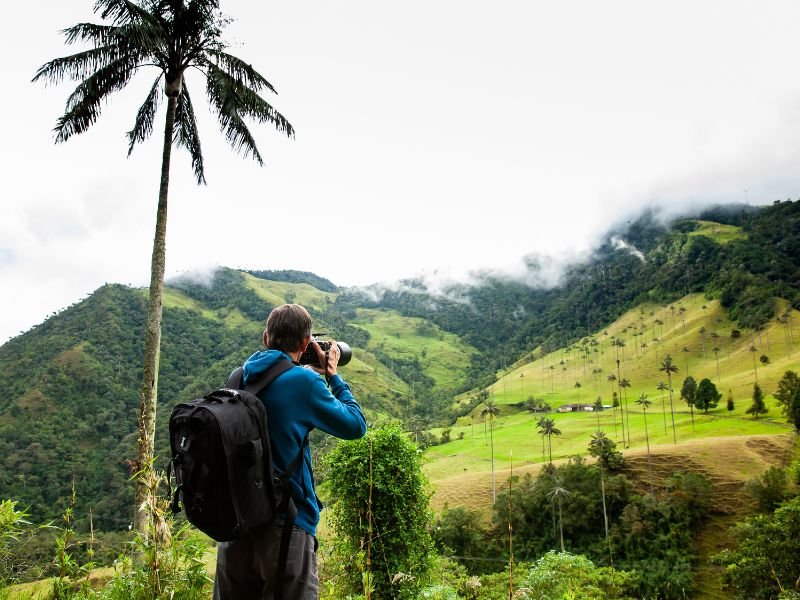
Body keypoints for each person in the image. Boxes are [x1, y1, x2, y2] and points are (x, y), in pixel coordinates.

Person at [213, 303, 367, 599]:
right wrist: (333, 376)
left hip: (235, 527)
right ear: (306, 343)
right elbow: (355, 426)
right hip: (285, 528)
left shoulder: (237, 378)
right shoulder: (304, 382)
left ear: (265, 338)